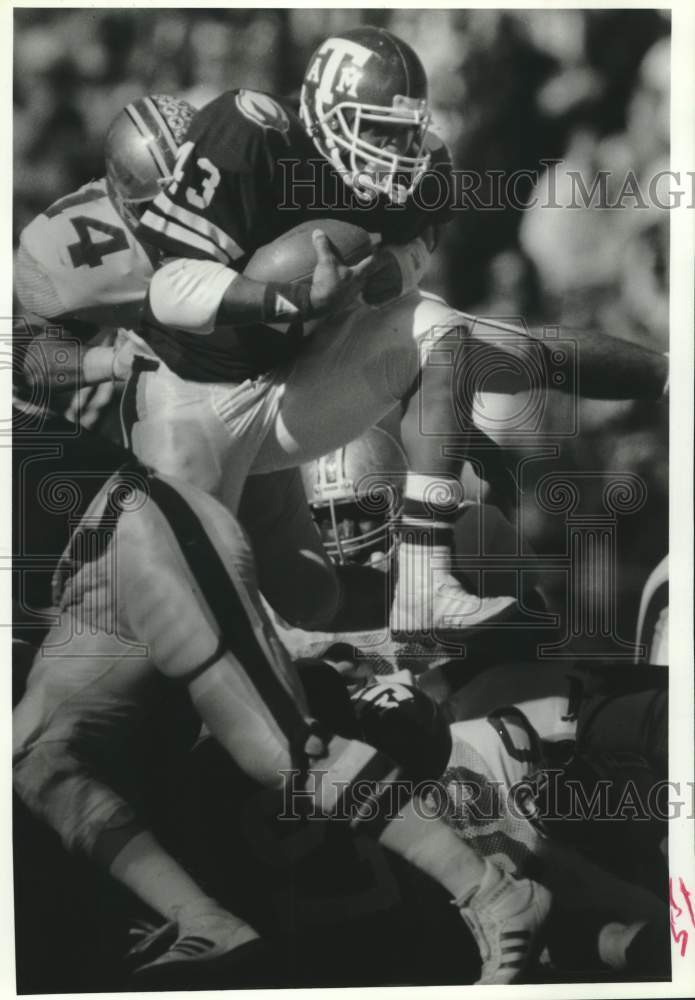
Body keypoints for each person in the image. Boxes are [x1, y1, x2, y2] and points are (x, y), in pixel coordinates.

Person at [129, 25, 669, 643]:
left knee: (447, 335)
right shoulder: (250, 132)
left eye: (405, 131)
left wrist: (398, 267)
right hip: (196, 390)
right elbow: (168, 292)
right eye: (378, 129)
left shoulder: (421, 167)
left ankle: (424, 580)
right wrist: (294, 297)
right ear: (326, 110)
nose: (399, 149)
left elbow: (418, 243)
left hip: (291, 380)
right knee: (202, 603)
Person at [12, 409, 553, 988]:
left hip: (136, 528)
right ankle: (200, 917)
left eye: (361, 513)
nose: (348, 531)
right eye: (333, 518)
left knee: (279, 748)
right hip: (79, 579)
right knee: (38, 757)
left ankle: (492, 891)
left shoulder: (466, 536)